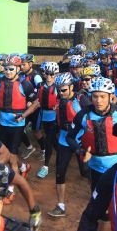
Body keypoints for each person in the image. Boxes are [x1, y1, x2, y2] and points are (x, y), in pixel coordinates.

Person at [0, 54, 39, 177]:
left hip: (17, 125)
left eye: (11, 68)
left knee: (12, 155)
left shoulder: (25, 84)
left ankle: (11, 187)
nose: (8, 71)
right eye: (6, 68)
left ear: (18, 69)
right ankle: (23, 166)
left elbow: (36, 103)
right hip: (3, 123)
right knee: (3, 152)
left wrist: (23, 116)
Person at [47, 72, 89, 218]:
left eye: (63, 89)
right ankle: (60, 205)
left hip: (80, 140)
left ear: (71, 87)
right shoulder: (59, 99)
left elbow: (92, 116)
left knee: (86, 172)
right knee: (60, 172)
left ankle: (96, 199)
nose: (60, 92)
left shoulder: (81, 99)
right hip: (64, 140)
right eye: (58, 89)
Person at [35, 62, 59, 179]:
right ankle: (61, 155)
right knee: (53, 140)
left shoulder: (59, 87)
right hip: (43, 116)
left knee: (49, 141)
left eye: (52, 74)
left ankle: (46, 166)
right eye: (47, 74)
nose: (49, 77)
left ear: (56, 74)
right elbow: (36, 100)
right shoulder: (40, 85)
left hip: (54, 118)